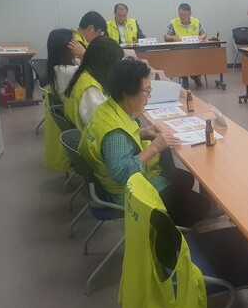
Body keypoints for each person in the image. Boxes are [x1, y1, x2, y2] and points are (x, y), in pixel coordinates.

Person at [78, 58, 210, 227]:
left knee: (185, 178)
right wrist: (154, 147)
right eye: (147, 91)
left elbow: (113, 144)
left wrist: (143, 132)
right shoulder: (115, 133)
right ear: (128, 92)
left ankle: (173, 214)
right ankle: (164, 230)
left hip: (108, 182)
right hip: (124, 192)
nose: (150, 96)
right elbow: (122, 175)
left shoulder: (107, 110)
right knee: (201, 205)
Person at [64, 36, 124, 131]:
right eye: (117, 62)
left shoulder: (86, 73)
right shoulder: (90, 88)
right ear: (107, 64)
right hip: (95, 137)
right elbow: (106, 126)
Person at [44, 28, 81, 172]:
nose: (77, 44)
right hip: (78, 117)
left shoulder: (57, 67)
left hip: (71, 112)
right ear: (66, 47)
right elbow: (93, 69)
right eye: (73, 42)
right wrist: (83, 53)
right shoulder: (67, 71)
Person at [163, 3, 206, 88]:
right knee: (182, 57)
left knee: (200, 57)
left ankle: (196, 76)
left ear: (190, 14)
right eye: (180, 14)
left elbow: (204, 34)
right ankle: (184, 78)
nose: (182, 17)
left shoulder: (196, 22)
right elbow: (166, 37)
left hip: (194, 50)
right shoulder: (173, 22)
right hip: (180, 51)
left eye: (185, 15)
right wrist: (172, 37)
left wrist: (201, 37)